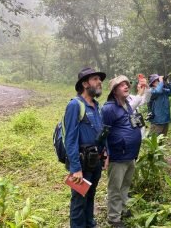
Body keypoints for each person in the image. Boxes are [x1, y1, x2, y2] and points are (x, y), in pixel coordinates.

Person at [64, 67, 106, 228]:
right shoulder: (75, 105)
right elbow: (70, 139)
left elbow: (101, 132)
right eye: (95, 79)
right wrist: (75, 168)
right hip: (81, 163)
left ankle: (90, 223)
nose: (99, 82)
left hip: (95, 161)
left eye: (99, 79)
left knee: (90, 195)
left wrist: (105, 154)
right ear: (85, 83)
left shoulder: (96, 105)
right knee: (78, 201)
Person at [101, 75, 142, 228]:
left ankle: (122, 209)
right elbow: (103, 133)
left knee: (125, 185)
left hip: (130, 154)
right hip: (118, 156)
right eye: (121, 85)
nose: (126, 86)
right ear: (114, 90)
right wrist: (105, 152)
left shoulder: (127, 104)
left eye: (127, 84)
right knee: (115, 188)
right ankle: (113, 218)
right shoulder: (109, 108)